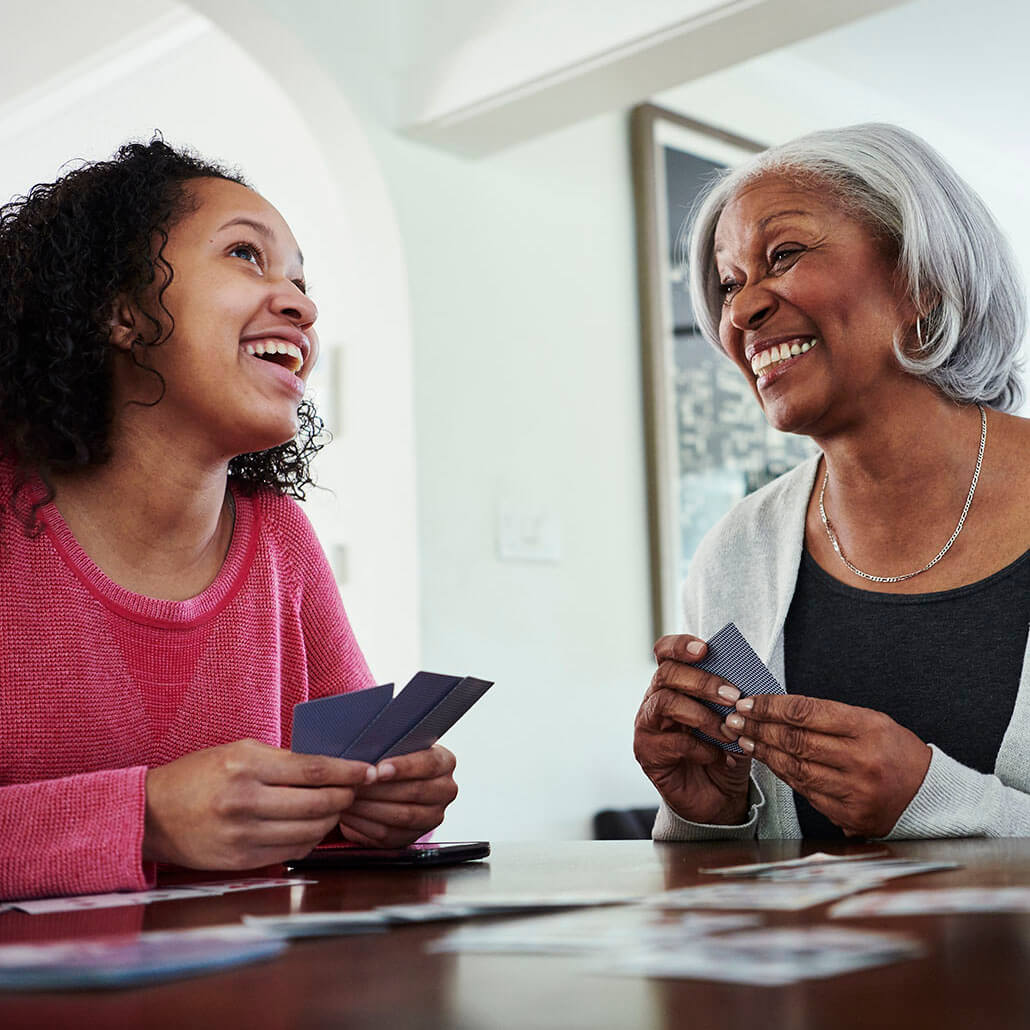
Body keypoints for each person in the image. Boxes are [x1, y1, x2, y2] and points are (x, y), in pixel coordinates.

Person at [0, 139, 458, 900]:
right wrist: (143, 817)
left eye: (301, 282)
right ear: (120, 308)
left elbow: (350, 797)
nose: (302, 305)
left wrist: (385, 810)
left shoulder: (279, 536)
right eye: (246, 254)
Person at [633, 123, 1030, 841]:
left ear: (922, 279)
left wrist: (935, 802)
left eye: (783, 255)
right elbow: (752, 888)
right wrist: (707, 812)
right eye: (728, 285)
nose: (741, 312)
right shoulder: (736, 552)